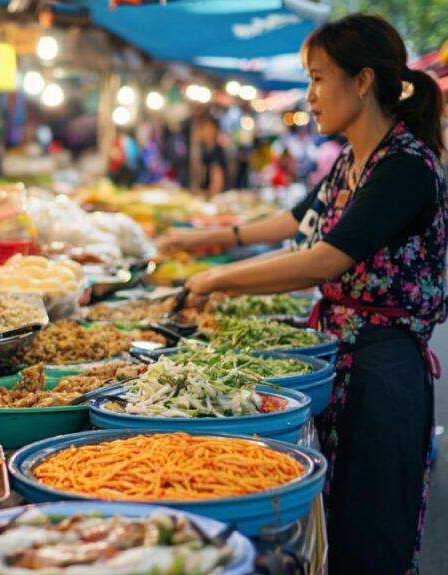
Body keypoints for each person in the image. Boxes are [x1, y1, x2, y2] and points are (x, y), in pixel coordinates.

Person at [158, 13, 446, 575]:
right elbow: (295, 221)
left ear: (362, 81)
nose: (309, 95)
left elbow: (324, 257)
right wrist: (205, 240)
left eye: (317, 78)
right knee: (340, 524)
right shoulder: (353, 159)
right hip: (341, 354)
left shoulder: (405, 166)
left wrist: (213, 279)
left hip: (385, 367)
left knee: (371, 535)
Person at [197, 115, 228, 197]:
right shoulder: (207, 151)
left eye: (207, 128)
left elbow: (217, 183)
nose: (204, 132)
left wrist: (207, 198)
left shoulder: (216, 152)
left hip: (215, 201)